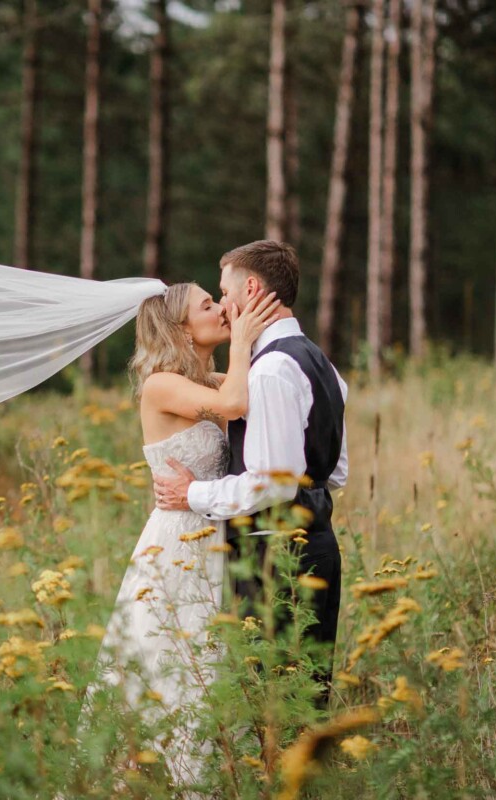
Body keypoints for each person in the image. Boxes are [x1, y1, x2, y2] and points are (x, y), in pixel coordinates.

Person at [76, 282, 280, 793]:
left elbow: (255, 392)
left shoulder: (201, 378)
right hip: (178, 541)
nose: (220, 310)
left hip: (212, 535)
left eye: (218, 299)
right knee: (175, 665)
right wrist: (243, 341)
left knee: (211, 664)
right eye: (207, 306)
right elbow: (234, 404)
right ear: (179, 328)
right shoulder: (160, 384)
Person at [153, 239, 349, 714]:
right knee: (306, 701)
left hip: (275, 559)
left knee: (275, 707)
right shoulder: (321, 362)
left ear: (253, 287)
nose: (222, 305)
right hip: (317, 547)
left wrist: (193, 492)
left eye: (224, 291)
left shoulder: (269, 372)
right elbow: (335, 473)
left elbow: (273, 482)